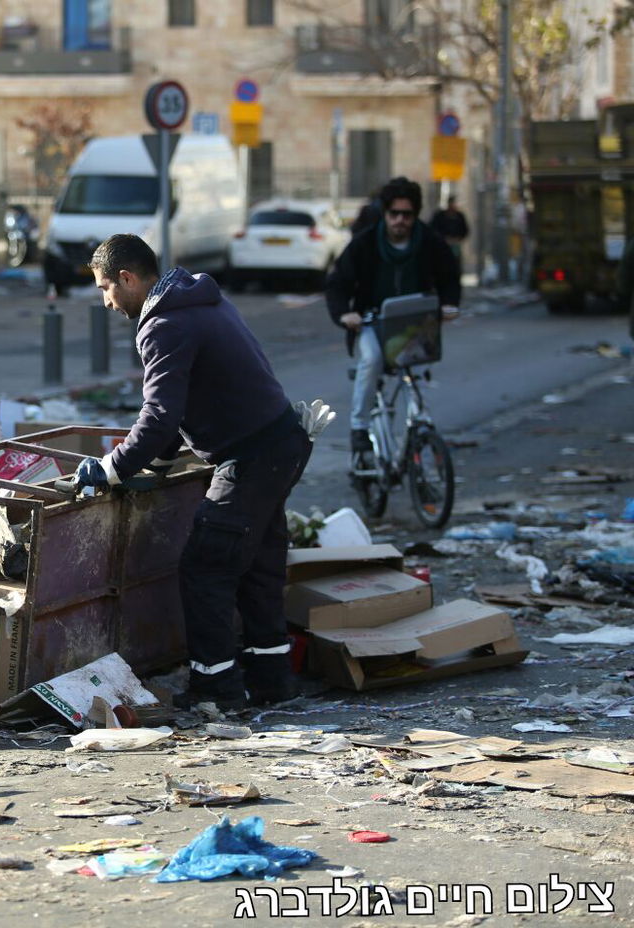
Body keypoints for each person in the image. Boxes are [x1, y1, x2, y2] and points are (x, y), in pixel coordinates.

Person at [73, 234, 331, 709]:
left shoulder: (164, 325)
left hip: (250, 458)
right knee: (257, 565)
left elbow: (160, 415)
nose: (106, 302)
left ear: (128, 278)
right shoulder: (199, 300)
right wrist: (150, 461)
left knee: (206, 567)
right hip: (281, 445)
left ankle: (216, 688)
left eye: (105, 288)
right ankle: (272, 681)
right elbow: (183, 405)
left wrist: (110, 468)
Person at [325, 176, 461, 459]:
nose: (400, 220)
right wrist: (345, 314)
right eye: (394, 214)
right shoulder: (365, 244)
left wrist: (449, 304)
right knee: (372, 360)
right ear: (384, 214)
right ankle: (359, 428)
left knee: (419, 372)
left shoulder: (429, 242)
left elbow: (449, 276)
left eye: (407, 215)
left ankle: (420, 424)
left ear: (416, 215)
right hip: (371, 322)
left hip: (415, 323)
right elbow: (337, 283)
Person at [430, 195, 470, 265]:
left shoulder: (459, 216)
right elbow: (433, 228)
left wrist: (457, 239)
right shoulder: (440, 216)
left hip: (455, 246)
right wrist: (443, 239)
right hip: (441, 246)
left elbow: (465, 230)